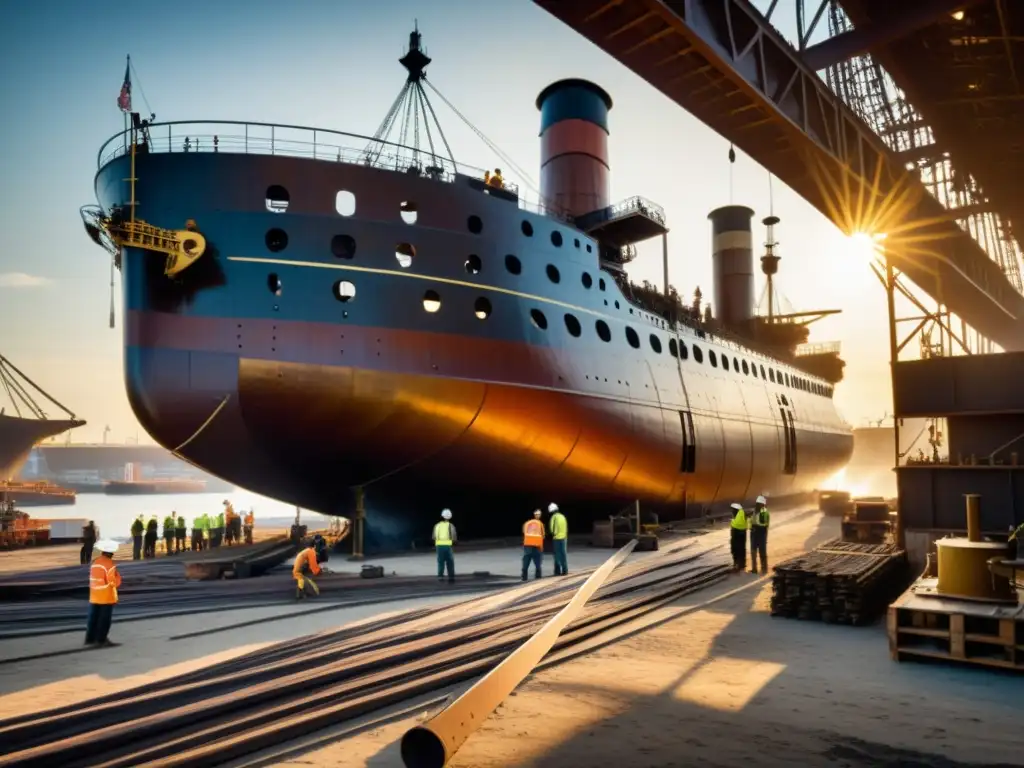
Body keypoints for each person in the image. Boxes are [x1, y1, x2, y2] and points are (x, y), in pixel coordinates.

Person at [85, 539, 123, 647]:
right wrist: (118, 578)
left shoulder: (95, 563)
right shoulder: (109, 564)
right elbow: (113, 582)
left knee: (93, 618)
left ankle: (90, 639)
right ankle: (101, 640)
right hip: (106, 596)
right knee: (104, 619)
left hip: (94, 595)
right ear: (110, 553)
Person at [433, 509, 456, 583]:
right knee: (450, 562)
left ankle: (440, 576)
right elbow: (453, 536)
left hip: (439, 546)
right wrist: (454, 541)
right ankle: (451, 576)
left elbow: (434, 536)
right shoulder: (450, 525)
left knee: (440, 561)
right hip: (447, 546)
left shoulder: (437, 525)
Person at [522, 509, 545, 581]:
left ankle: (524, 577)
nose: (539, 515)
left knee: (526, 559)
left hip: (528, 544)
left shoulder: (527, 523)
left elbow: (524, 532)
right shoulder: (540, 524)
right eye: (538, 514)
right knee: (538, 561)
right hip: (536, 544)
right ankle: (538, 577)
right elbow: (543, 535)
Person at [749, 495, 770, 575]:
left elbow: (763, 524)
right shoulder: (755, 511)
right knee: (753, 551)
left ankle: (764, 568)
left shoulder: (763, 512)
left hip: (760, 533)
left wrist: (755, 528)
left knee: (762, 551)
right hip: (754, 533)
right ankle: (755, 568)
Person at [548, 502, 568, 576]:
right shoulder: (563, 516)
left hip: (556, 538)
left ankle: (557, 571)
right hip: (564, 538)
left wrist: (552, 534)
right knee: (563, 554)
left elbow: (552, 528)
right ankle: (565, 570)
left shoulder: (554, 517)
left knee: (557, 555)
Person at [729, 502, 748, 573]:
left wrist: (732, 522)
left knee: (737, 549)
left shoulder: (740, 514)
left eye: (733, 510)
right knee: (740, 549)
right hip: (740, 534)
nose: (732, 511)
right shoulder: (741, 513)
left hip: (738, 534)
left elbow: (736, 524)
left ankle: (738, 565)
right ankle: (740, 564)